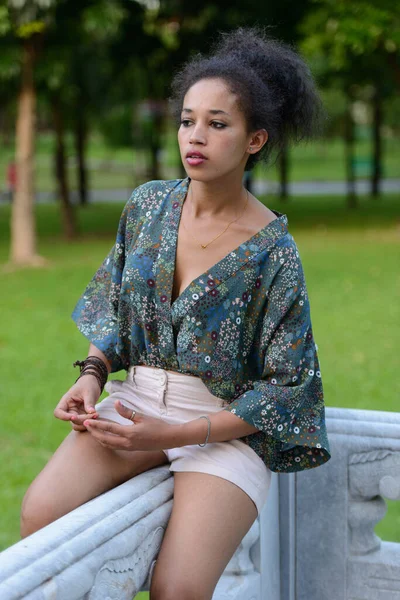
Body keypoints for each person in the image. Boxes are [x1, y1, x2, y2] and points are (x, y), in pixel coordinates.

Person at [20, 26, 331, 600]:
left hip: (221, 429)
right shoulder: (148, 206)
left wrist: (179, 433)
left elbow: (289, 388)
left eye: (218, 124)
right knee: (41, 520)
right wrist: (91, 376)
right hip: (134, 403)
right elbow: (116, 309)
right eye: (188, 120)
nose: (196, 136)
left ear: (255, 140)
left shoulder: (273, 251)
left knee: (179, 589)